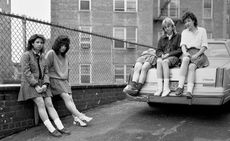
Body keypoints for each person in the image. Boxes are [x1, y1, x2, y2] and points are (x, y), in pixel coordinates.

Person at [18, 34, 70, 137]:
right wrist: (36, 85)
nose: (40, 44)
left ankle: (60, 126)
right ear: (32, 43)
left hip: (43, 84)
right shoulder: (26, 55)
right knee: (41, 103)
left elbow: (46, 72)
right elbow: (26, 72)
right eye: (37, 42)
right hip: (30, 84)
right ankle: (51, 129)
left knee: (49, 103)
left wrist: (46, 84)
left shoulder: (42, 56)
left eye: (41, 43)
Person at [45, 35, 93, 127]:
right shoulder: (51, 53)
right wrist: (46, 83)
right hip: (54, 80)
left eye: (65, 46)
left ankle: (76, 119)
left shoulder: (65, 56)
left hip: (64, 82)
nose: (63, 47)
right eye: (61, 45)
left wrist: (68, 83)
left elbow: (67, 71)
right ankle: (80, 116)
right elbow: (45, 68)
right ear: (57, 44)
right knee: (67, 97)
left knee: (70, 99)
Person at [175, 11, 209, 98]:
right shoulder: (184, 32)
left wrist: (196, 55)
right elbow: (183, 45)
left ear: (193, 20)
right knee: (185, 59)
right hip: (188, 52)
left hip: (199, 53)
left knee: (192, 67)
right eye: (185, 22)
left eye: (189, 21)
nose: (187, 23)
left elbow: (204, 46)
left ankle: (189, 91)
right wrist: (185, 53)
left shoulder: (202, 31)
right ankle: (180, 86)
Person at [154, 17, 182, 97]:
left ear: (173, 27)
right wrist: (161, 55)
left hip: (174, 58)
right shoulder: (162, 38)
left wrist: (168, 55)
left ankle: (166, 88)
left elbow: (180, 50)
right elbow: (158, 50)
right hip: (164, 58)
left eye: (168, 26)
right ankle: (160, 88)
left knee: (164, 61)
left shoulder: (178, 36)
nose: (167, 29)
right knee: (159, 61)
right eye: (165, 27)